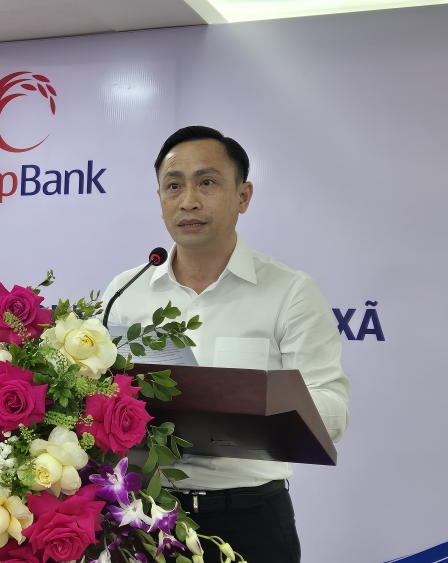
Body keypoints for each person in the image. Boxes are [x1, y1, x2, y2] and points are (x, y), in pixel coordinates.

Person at [101, 126, 350, 563]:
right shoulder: (126, 291)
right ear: (160, 198)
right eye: (173, 186)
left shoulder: (290, 292)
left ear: (243, 196)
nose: (188, 201)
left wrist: (261, 406)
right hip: (144, 517)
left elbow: (333, 412)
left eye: (207, 182)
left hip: (249, 519)